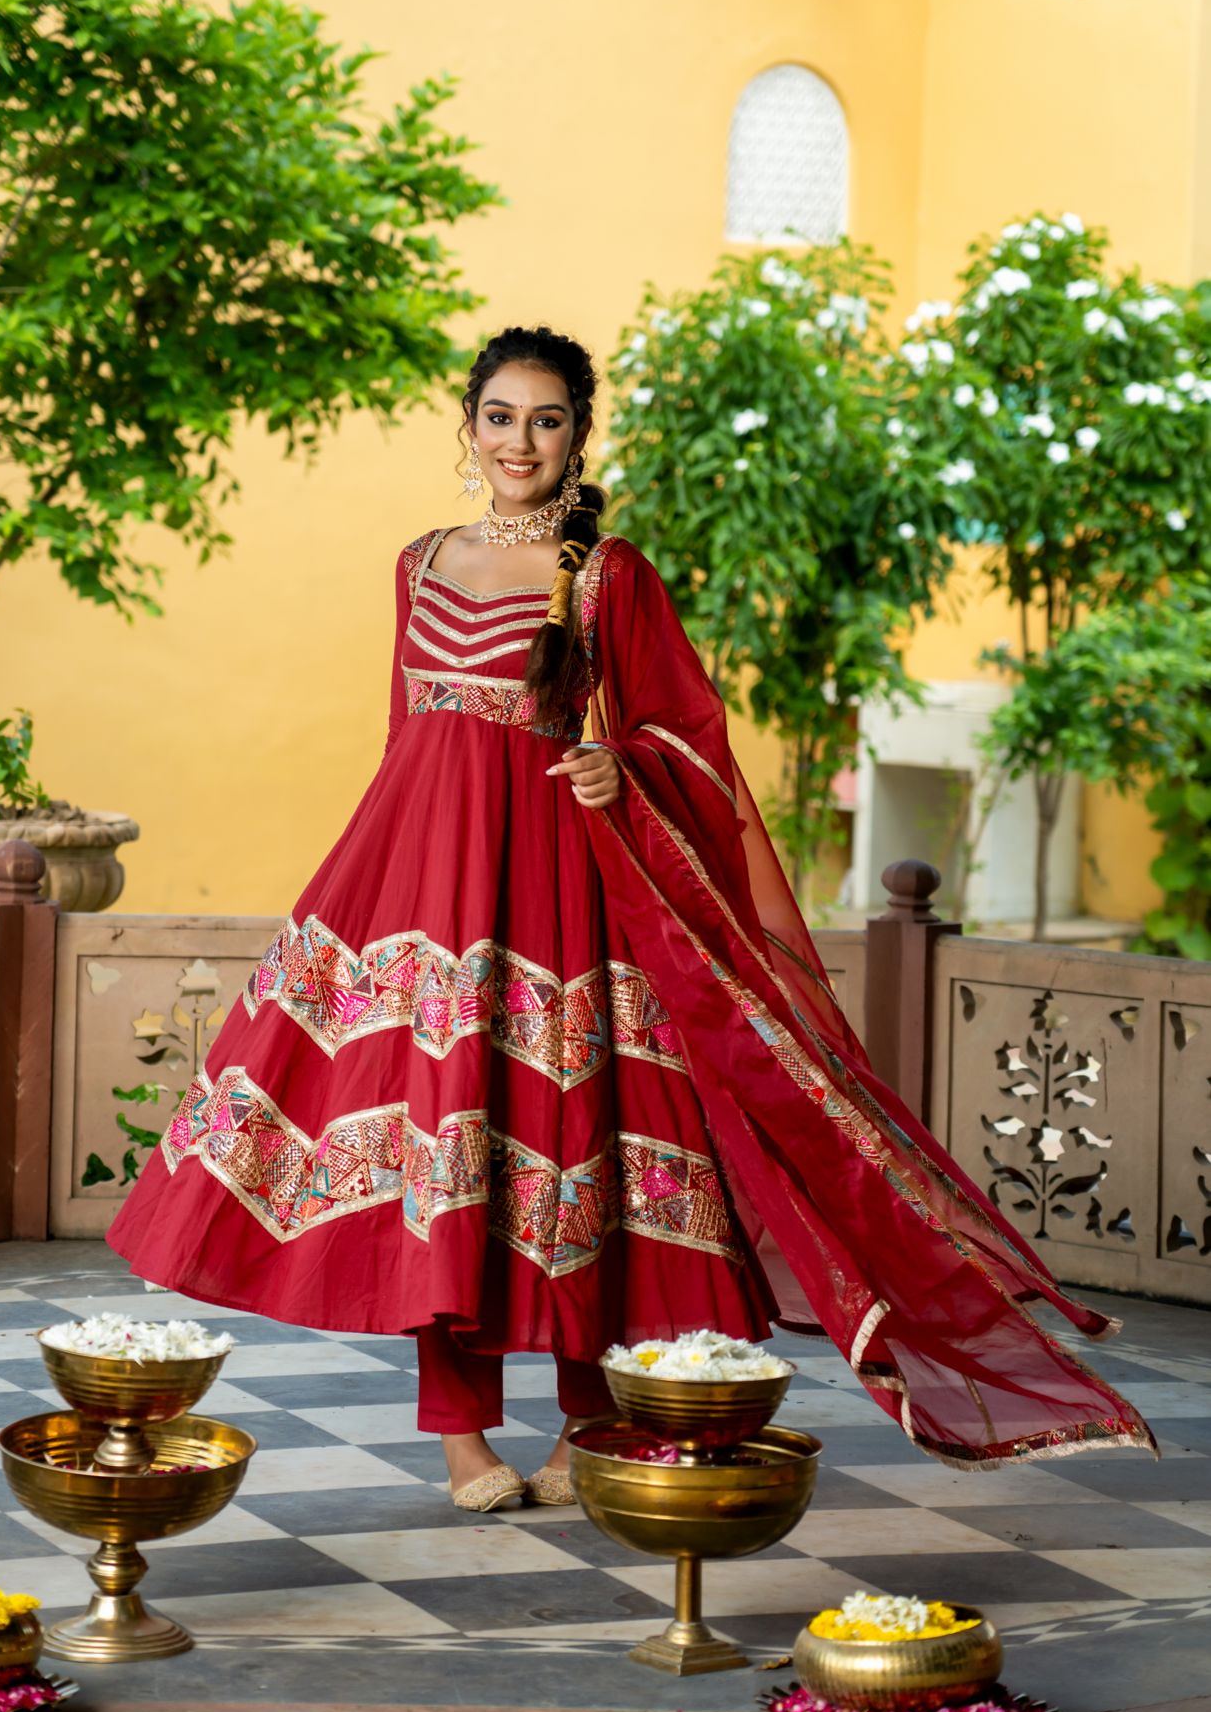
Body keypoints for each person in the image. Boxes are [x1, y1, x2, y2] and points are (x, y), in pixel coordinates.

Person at [109, 325, 1154, 1511]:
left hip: (561, 882)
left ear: (578, 436)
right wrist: (379, 890)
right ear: (469, 427)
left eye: (545, 419)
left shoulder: (609, 575)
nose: (520, 441)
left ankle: (581, 1422)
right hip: (418, 887)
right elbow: (407, 738)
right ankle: (460, 1439)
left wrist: (620, 771)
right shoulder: (418, 561)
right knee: (435, 1149)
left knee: (567, 1146)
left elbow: (687, 738)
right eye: (500, 416)